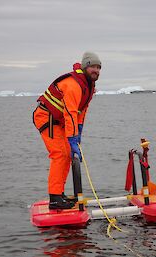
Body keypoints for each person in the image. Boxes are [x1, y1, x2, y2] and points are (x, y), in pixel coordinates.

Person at [33, 52, 101, 209]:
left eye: (98, 68)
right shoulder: (73, 85)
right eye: (92, 66)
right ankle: (55, 199)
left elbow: (81, 111)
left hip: (62, 122)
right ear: (85, 67)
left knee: (68, 154)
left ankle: (59, 194)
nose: (96, 70)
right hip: (47, 119)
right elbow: (70, 112)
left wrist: (79, 132)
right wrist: (72, 138)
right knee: (60, 154)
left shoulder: (89, 86)